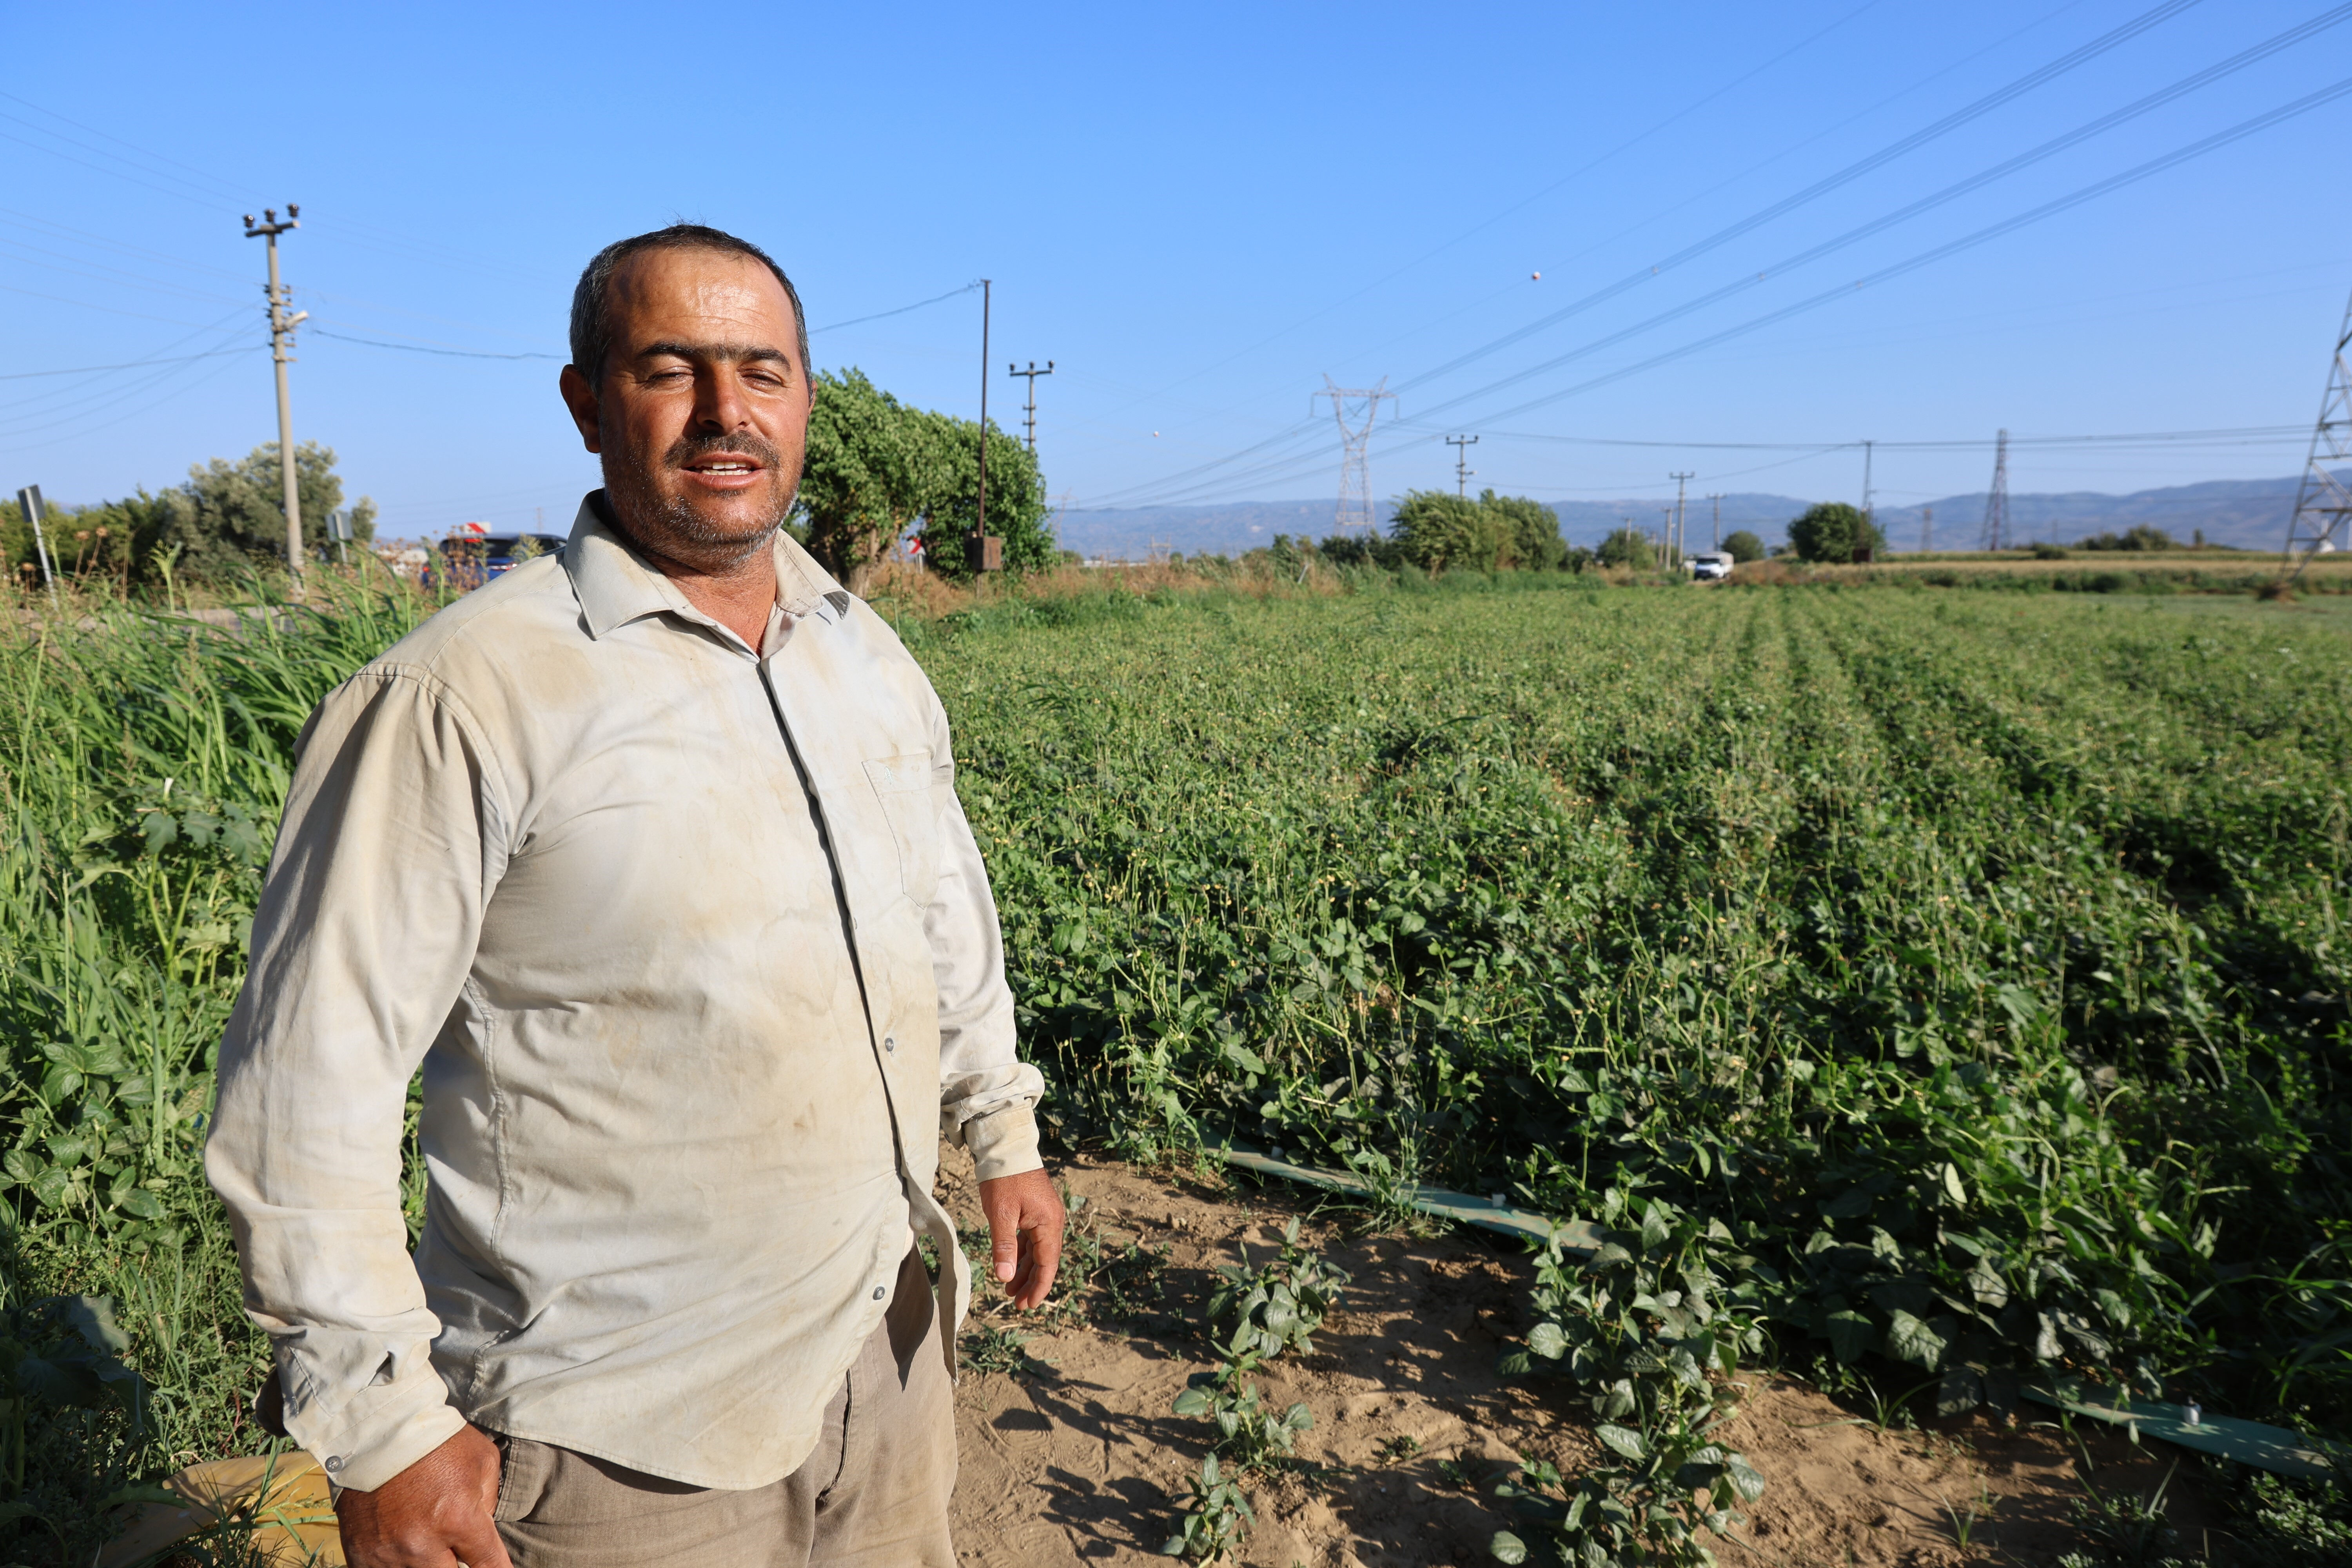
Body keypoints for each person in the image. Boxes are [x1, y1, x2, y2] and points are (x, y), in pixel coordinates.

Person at [206, 223, 1064, 1568]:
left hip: (881, 1345)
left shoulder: (861, 650)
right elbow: (306, 1089)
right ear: (588, 401)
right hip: (622, 1435)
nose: (729, 412)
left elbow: (938, 915)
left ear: (805, 402)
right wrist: (381, 1429)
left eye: (764, 373)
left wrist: (999, 1131)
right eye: (675, 368)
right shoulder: (464, 696)